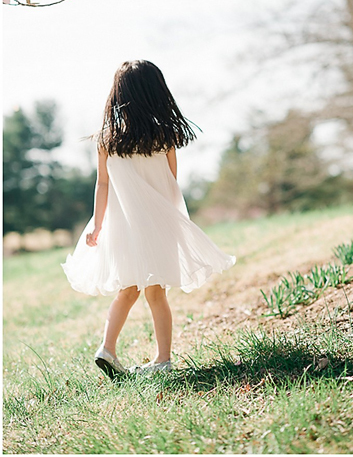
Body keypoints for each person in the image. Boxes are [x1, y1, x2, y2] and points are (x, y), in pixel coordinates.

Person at [62, 60, 236, 379]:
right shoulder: (164, 135)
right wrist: (173, 223)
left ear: (118, 95)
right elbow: (172, 183)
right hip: (157, 224)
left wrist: (97, 224)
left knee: (127, 290)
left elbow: (102, 184)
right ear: (156, 92)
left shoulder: (106, 139)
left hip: (121, 227)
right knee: (156, 293)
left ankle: (108, 349)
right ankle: (163, 358)